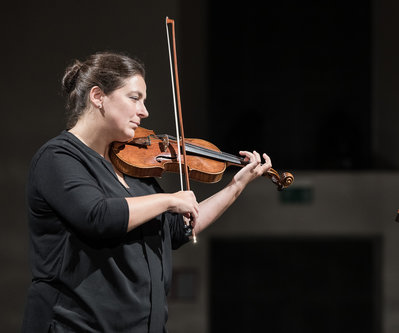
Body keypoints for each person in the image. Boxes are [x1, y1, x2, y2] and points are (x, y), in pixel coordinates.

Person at [23, 51, 272, 332]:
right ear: (98, 96)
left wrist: (236, 186)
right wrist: (168, 199)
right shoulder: (59, 158)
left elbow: (181, 228)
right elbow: (98, 216)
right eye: (134, 98)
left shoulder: (131, 167)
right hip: (76, 326)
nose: (144, 111)